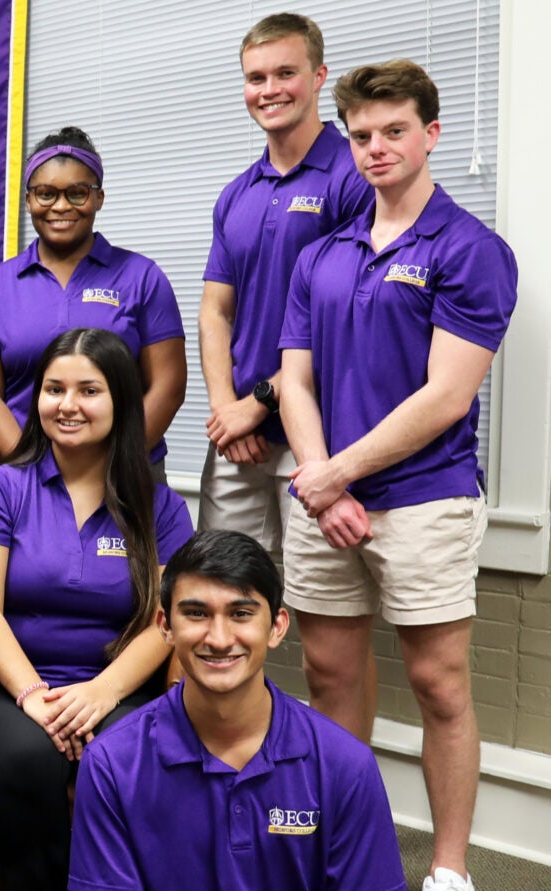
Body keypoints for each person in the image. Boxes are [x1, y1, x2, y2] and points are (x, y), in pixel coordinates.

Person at [276, 59, 519, 891]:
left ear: (431, 135)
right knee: (333, 681)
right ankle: (353, 851)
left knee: (439, 687)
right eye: (363, 134)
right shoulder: (323, 253)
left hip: (423, 501)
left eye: (395, 132)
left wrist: (331, 475)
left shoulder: (469, 249)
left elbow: (446, 398)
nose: (377, 148)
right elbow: (291, 377)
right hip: (323, 496)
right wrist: (317, 477)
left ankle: (450, 874)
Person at [0, 328, 196, 891]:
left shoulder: (157, 504)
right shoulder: (1, 490)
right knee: (32, 757)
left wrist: (103, 692)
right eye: (54, 389)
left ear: (120, 400)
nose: (67, 403)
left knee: (121, 757)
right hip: (8, 686)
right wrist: (34, 693)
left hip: (114, 685)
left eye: (88, 390)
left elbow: (166, 621)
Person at [72, 530, 407, 891]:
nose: (219, 637)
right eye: (196, 614)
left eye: (241, 613)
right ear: (164, 626)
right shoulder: (113, 763)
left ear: (277, 627)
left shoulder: (344, 763)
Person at [198, 13, 375, 559]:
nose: (269, 90)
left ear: (319, 76)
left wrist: (259, 402)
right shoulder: (237, 193)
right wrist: (230, 410)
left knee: (322, 618)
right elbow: (214, 311)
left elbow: (348, 317)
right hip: (240, 442)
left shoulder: (356, 176)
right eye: (256, 78)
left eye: (285, 73)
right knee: (224, 596)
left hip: (321, 436)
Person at [0, 126, 184, 485]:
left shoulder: (142, 278)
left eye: (77, 193)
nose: (61, 206)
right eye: (46, 194)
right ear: (28, 199)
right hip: (16, 473)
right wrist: (33, 470)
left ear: (98, 198)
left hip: (122, 475)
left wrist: (108, 466)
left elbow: (168, 385)